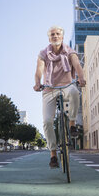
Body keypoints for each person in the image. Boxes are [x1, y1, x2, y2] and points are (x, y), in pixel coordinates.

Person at [33, 26, 86, 168]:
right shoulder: (43, 53)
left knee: (75, 92)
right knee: (47, 121)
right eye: (52, 34)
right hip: (49, 89)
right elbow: (39, 70)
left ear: (62, 37)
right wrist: (38, 83)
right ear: (49, 38)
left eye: (57, 34)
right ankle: (53, 154)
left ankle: (72, 124)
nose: (55, 36)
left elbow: (77, 64)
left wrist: (81, 78)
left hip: (66, 85)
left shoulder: (69, 51)